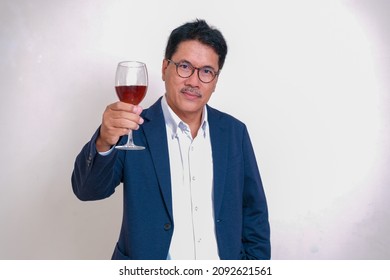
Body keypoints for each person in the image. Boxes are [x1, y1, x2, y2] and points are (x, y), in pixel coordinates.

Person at [71, 19, 270, 260]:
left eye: (206, 72)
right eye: (184, 66)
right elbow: (87, 190)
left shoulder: (234, 133)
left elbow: (254, 212)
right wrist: (104, 141)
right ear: (165, 68)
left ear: (216, 81)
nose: (194, 81)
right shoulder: (133, 128)